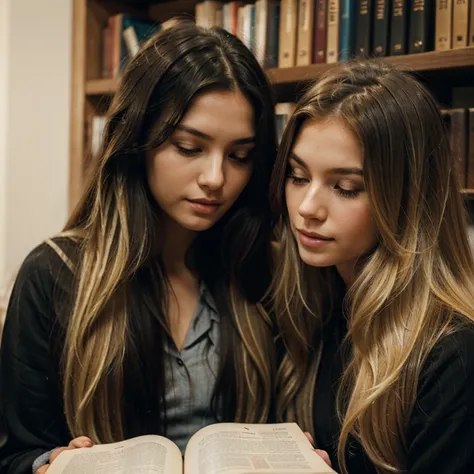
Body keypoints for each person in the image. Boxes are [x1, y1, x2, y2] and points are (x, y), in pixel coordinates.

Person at [0, 22, 278, 473]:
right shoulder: (54, 274)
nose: (215, 178)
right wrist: (50, 465)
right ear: (137, 139)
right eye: (189, 147)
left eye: (239, 156)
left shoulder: (259, 268)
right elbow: (16, 454)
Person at [269, 60, 474, 473]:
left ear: (408, 198)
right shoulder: (315, 306)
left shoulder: (453, 356)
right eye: (297, 176)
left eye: (346, 188)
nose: (307, 209)